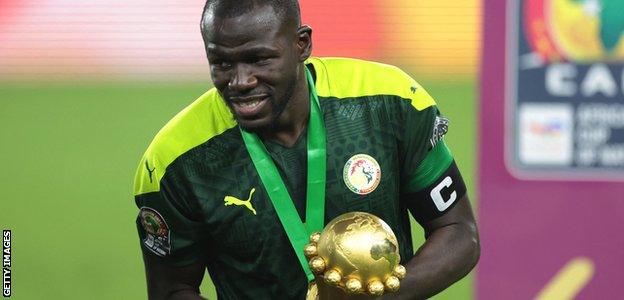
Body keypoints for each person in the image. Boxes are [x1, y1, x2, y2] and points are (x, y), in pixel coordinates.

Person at [133, 0, 480, 299]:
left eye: (259, 60)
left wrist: (383, 297)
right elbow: (172, 290)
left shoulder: (391, 103)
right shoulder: (174, 162)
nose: (240, 81)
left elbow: (458, 232)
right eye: (222, 63)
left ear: (302, 44)